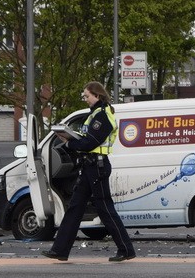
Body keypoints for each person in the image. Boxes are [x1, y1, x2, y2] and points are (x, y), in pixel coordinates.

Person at [42, 82, 136, 262]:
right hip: (90, 166)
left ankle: (126, 249)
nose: (85, 99)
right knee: (75, 208)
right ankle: (60, 250)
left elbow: (89, 143)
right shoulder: (94, 115)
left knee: (105, 209)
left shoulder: (102, 116)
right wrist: (69, 136)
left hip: (97, 167)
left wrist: (69, 143)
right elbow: (86, 139)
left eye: (87, 96)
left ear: (97, 96)